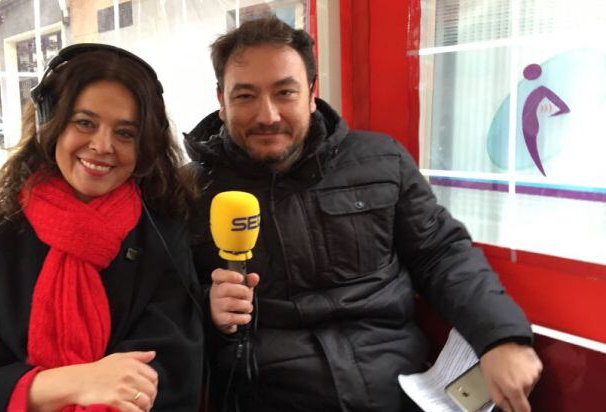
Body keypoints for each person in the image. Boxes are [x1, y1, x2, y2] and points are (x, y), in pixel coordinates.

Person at [185, 16, 542, 412]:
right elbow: (166, 304)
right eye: (245, 96)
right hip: (268, 394)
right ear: (221, 102)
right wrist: (208, 306)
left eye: (285, 92)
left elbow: (440, 253)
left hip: (396, 390)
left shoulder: (381, 160)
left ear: (311, 93)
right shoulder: (186, 193)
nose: (268, 115)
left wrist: (500, 337)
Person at [0, 44, 203, 412]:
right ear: (52, 124)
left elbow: (175, 378)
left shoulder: (163, 239)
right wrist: (72, 384)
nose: (102, 146)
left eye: (125, 133)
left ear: (144, 147)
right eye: (85, 123)